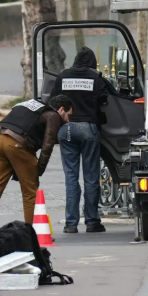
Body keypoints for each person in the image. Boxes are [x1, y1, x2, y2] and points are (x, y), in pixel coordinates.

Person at [0, 96, 74, 243]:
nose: (68, 121)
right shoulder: (53, 115)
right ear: (60, 109)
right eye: (68, 115)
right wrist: (39, 168)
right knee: (30, 191)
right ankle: (32, 233)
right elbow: (48, 144)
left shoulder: (31, 104)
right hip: (17, 143)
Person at [52, 47, 120, 234]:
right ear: (91, 61)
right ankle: (92, 222)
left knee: (71, 177)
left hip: (66, 129)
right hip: (89, 128)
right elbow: (109, 98)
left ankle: (71, 224)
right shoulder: (95, 77)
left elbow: (52, 101)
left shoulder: (63, 76)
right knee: (91, 177)